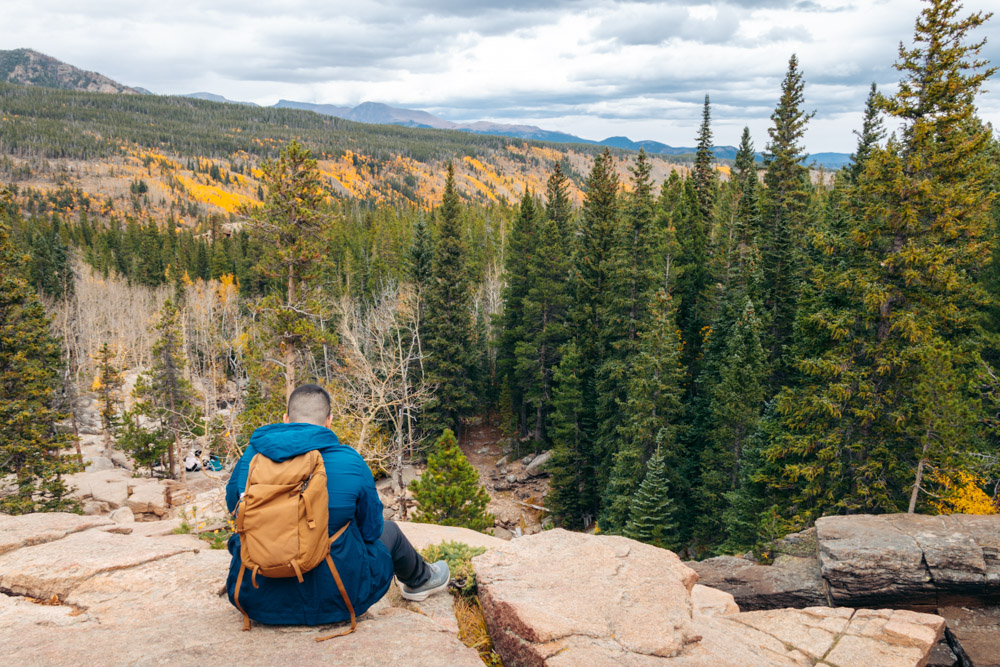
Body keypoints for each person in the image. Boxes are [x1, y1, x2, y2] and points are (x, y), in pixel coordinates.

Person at [224, 384, 450, 627]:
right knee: (389, 530)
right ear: (329, 420)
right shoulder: (349, 460)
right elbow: (371, 530)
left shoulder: (251, 458)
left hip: (258, 599)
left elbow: (235, 511)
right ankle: (420, 580)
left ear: (286, 419)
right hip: (338, 598)